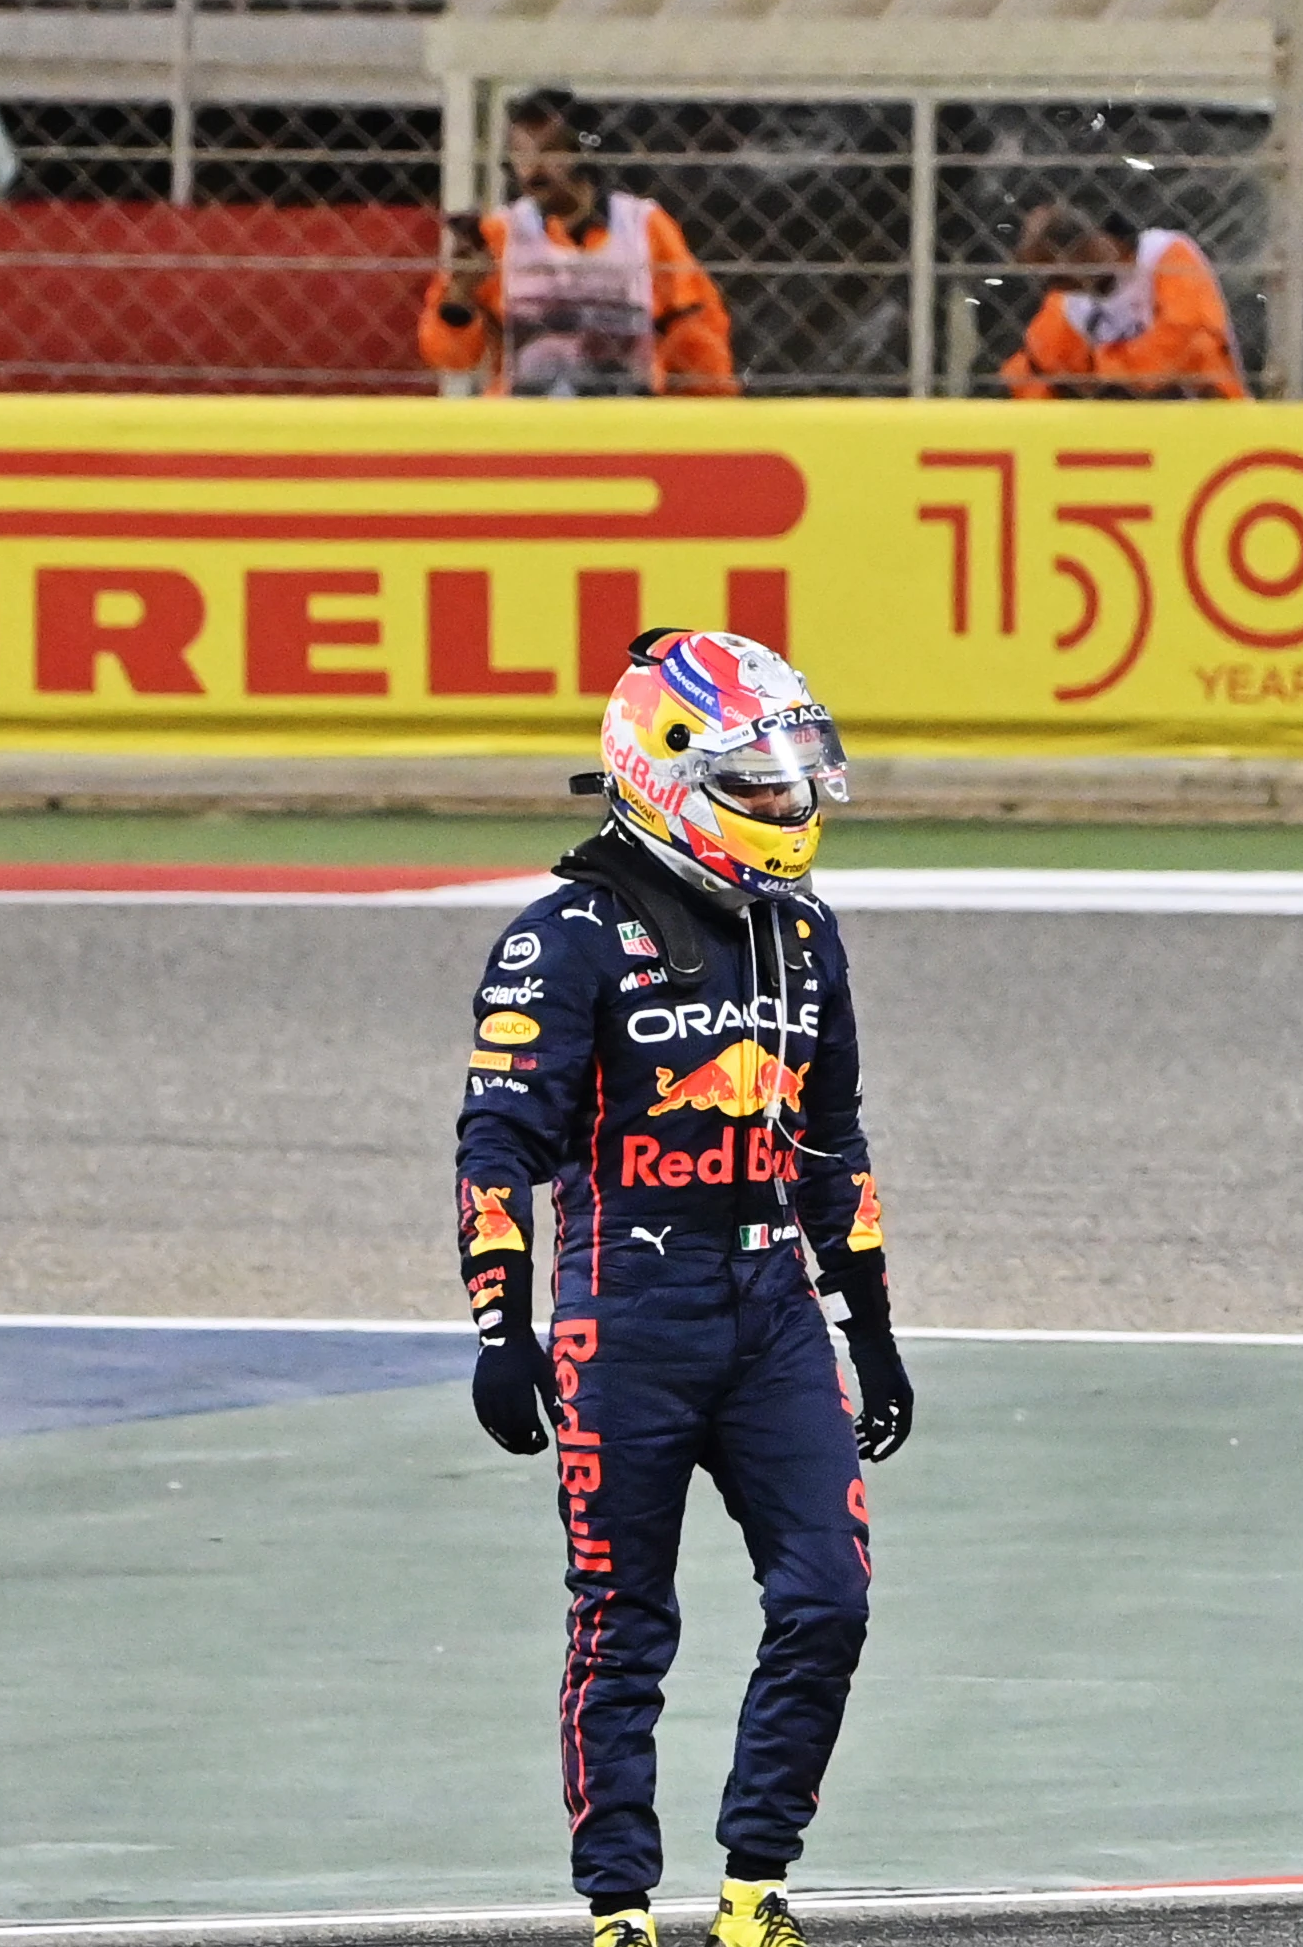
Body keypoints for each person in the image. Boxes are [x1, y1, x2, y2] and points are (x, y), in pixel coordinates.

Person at [456, 626, 910, 1947]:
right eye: (757, 779)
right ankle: (619, 1911)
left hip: (772, 1315)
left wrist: (868, 1323)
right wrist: (503, 1323)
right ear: (663, 775)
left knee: (830, 1595)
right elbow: (499, 1141)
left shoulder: (807, 936)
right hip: (623, 1319)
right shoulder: (562, 940)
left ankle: (756, 1886)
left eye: (793, 776)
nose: (789, 802)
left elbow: (833, 1138)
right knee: (623, 1622)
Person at [423, 90, 739, 397]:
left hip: (625, 417)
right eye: (521, 154)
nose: (532, 169)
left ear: (584, 150)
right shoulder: (498, 235)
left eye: (549, 151)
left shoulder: (643, 226)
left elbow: (695, 326)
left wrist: (698, 410)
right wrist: (460, 295)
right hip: (525, 421)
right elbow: (451, 359)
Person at [999, 199, 1252, 397]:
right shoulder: (1068, 305)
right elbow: (1032, 371)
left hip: (1207, 414)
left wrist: (1105, 371)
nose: (1054, 288)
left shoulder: (1165, 254)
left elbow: (1187, 336)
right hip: (1125, 432)